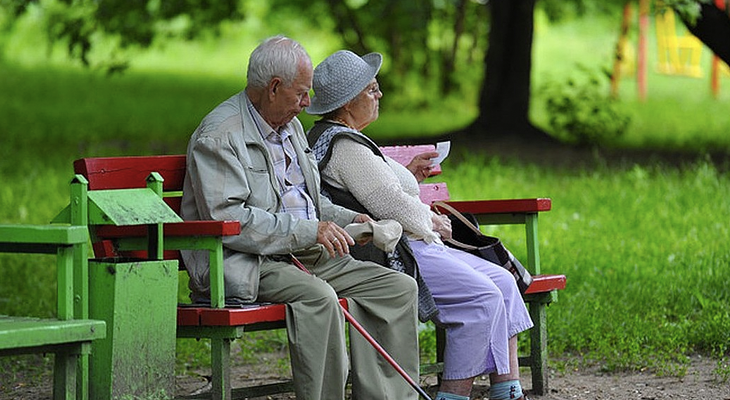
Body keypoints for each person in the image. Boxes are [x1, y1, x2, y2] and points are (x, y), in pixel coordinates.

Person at [180, 36, 420, 400]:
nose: (308, 104)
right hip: (249, 263)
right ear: (274, 88)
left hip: (304, 255)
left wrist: (350, 219)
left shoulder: (289, 126)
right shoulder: (220, 135)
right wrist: (311, 231)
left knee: (396, 288)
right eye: (302, 93)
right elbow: (231, 221)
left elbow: (308, 201)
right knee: (319, 297)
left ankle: (388, 397)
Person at [306, 50, 534, 400]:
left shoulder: (346, 138)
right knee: (482, 297)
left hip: (410, 241)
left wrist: (409, 176)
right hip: (394, 250)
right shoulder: (345, 146)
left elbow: (376, 190)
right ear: (348, 102)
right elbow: (390, 204)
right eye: (372, 89)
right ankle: (453, 395)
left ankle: (507, 391)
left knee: (503, 282)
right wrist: (434, 222)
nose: (379, 94)